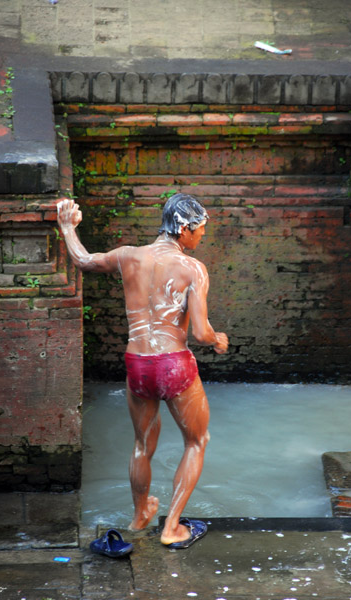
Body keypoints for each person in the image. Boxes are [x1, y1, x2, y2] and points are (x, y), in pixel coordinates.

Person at [57, 193, 228, 548]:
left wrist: (67, 227)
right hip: (173, 365)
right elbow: (199, 331)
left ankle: (139, 516)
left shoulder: (128, 256)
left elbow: (84, 261)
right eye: (199, 230)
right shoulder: (193, 269)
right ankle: (172, 527)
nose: (201, 237)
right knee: (197, 441)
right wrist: (217, 340)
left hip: (138, 365)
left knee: (141, 444)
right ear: (183, 228)